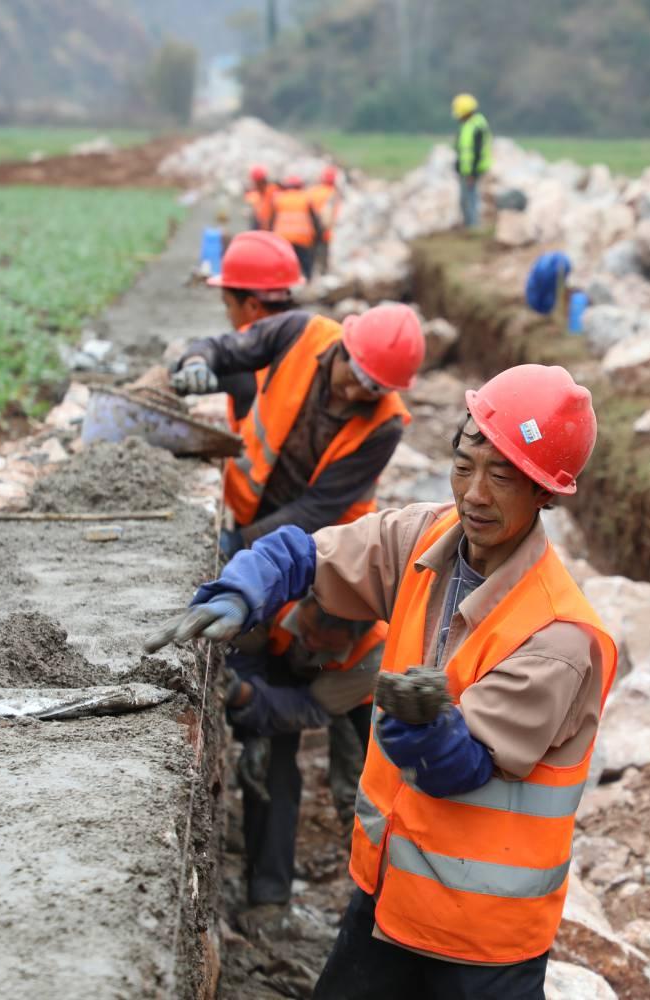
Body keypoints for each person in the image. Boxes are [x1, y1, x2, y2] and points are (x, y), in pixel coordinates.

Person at [146, 364, 618, 999]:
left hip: (479, 946)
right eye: (464, 463)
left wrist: (416, 721)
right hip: (389, 897)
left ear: (545, 494)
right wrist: (245, 587)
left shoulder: (559, 636)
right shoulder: (429, 540)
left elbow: (457, 769)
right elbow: (309, 555)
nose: (474, 494)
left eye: (502, 476)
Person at [169, 302, 425, 560]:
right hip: (252, 502)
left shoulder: (386, 425)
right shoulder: (300, 332)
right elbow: (225, 349)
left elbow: (318, 508)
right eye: (354, 377)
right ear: (344, 348)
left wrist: (241, 542)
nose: (353, 393)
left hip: (321, 545)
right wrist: (196, 362)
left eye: (374, 389)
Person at [222, 592, 386, 915]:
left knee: (369, 787)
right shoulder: (275, 595)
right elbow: (239, 652)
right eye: (307, 631)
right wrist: (253, 726)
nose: (310, 642)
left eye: (322, 642)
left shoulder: (374, 653)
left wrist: (247, 698)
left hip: (345, 695)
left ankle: (375, 897)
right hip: (276, 666)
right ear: (304, 604)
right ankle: (269, 893)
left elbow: (310, 709)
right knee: (273, 772)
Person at [170, 230, 304, 433]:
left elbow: (219, 350)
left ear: (252, 306)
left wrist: (192, 364)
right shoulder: (312, 342)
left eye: (228, 305)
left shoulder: (247, 370)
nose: (228, 315)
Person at [269, 173, 325, 280]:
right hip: (302, 238)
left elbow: (272, 220)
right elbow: (314, 219)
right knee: (305, 262)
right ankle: (308, 282)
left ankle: (283, 283)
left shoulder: (279, 198)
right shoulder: (306, 198)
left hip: (283, 239)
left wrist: (271, 236)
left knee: (284, 264)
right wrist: (318, 235)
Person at [452, 93, 493, 229]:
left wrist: (472, 173)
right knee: (467, 198)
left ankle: (473, 225)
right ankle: (470, 224)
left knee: (469, 198)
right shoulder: (470, 125)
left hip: (471, 171)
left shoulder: (476, 126)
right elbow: (463, 149)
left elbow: (476, 151)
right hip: (466, 169)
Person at [308, 165, 342, 277]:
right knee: (323, 251)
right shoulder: (332, 192)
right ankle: (323, 273)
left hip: (312, 226)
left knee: (312, 252)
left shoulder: (313, 191)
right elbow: (331, 213)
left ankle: (312, 273)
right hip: (325, 227)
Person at [244, 164, 278, 231]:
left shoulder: (272, 190)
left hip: (271, 224)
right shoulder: (253, 194)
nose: (257, 184)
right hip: (259, 224)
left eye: (258, 182)